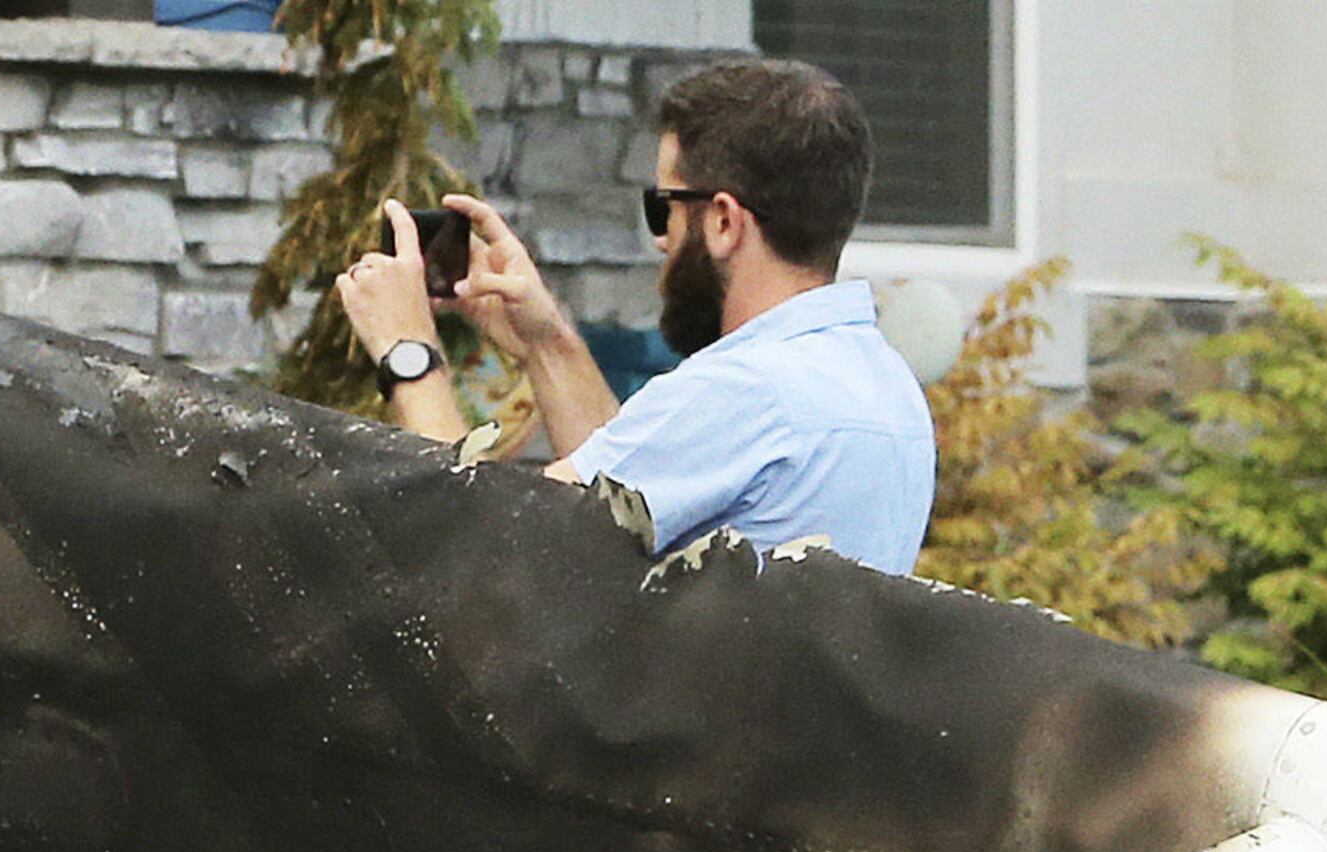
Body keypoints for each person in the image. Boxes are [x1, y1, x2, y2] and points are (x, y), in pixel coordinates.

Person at [331, 57, 937, 575]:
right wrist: (547, 341)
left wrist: (408, 351)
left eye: (662, 208)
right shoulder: (886, 385)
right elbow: (614, 511)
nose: (659, 241)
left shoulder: (746, 392)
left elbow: (478, 545)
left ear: (724, 221)